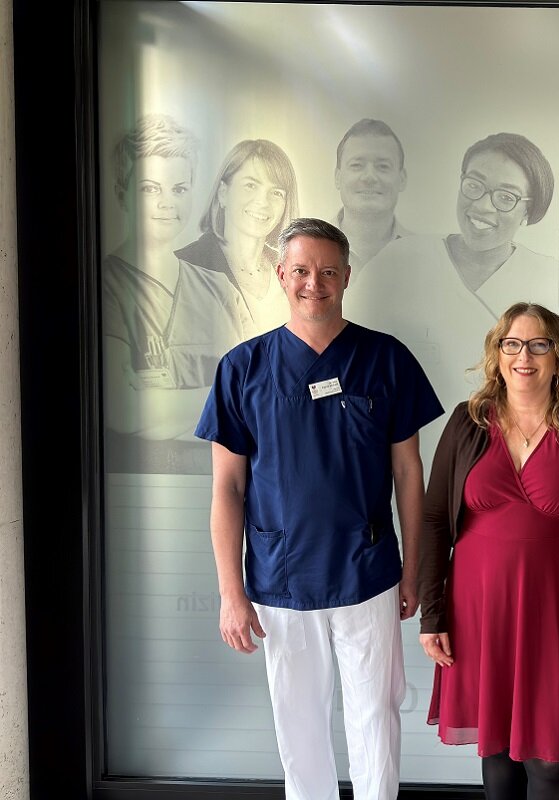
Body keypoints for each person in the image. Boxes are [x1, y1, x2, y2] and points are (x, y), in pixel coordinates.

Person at [195, 218, 443, 799]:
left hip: (370, 571)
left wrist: (414, 568)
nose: (315, 283)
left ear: (347, 277)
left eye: (328, 271)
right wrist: (231, 593)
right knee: (298, 725)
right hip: (281, 578)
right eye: (302, 271)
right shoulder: (242, 369)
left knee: (376, 716)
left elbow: (410, 472)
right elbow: (227, 490)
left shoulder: (385, 359)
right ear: (281, 275)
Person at [418, 302, 559, 800]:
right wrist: (432, 613)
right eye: (512, 344)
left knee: (551, 762)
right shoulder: (467, 424)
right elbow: (434, 520)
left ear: (558, 357)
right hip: (480, 611)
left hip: (557, 614)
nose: (523, 356)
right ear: (497, 354)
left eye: (538, 344)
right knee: (498, 758)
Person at [354, 132, 559, 472]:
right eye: (474, 185)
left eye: (505, 197)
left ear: (528, 211)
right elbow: (348, 350)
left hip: (509, 471)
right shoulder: (403, 259)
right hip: (407, 464)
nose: (482, 206)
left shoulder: (547, 278)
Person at [101, 113, 247, 473]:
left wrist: (163, 403)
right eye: (151, 188)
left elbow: (257, 396)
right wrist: (223, 401)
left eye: (179, 189)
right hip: (143, 490)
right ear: (122, 192)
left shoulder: (219, 288)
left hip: (229, 481)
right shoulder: (105, 286)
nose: (167, 202)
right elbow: (123, 411)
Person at [177, 138, 298, 337]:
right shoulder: (185, 265)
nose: (263, 202)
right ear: (223, 193)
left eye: (276, 192)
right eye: (251, 185)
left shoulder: (293, 270)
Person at [333, 118, 413, 269]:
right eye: (356, 165)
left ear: (402, 179)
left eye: (383, 166)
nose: (369, 177)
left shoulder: (427, 256)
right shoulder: (306, 248)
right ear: (338, 177)